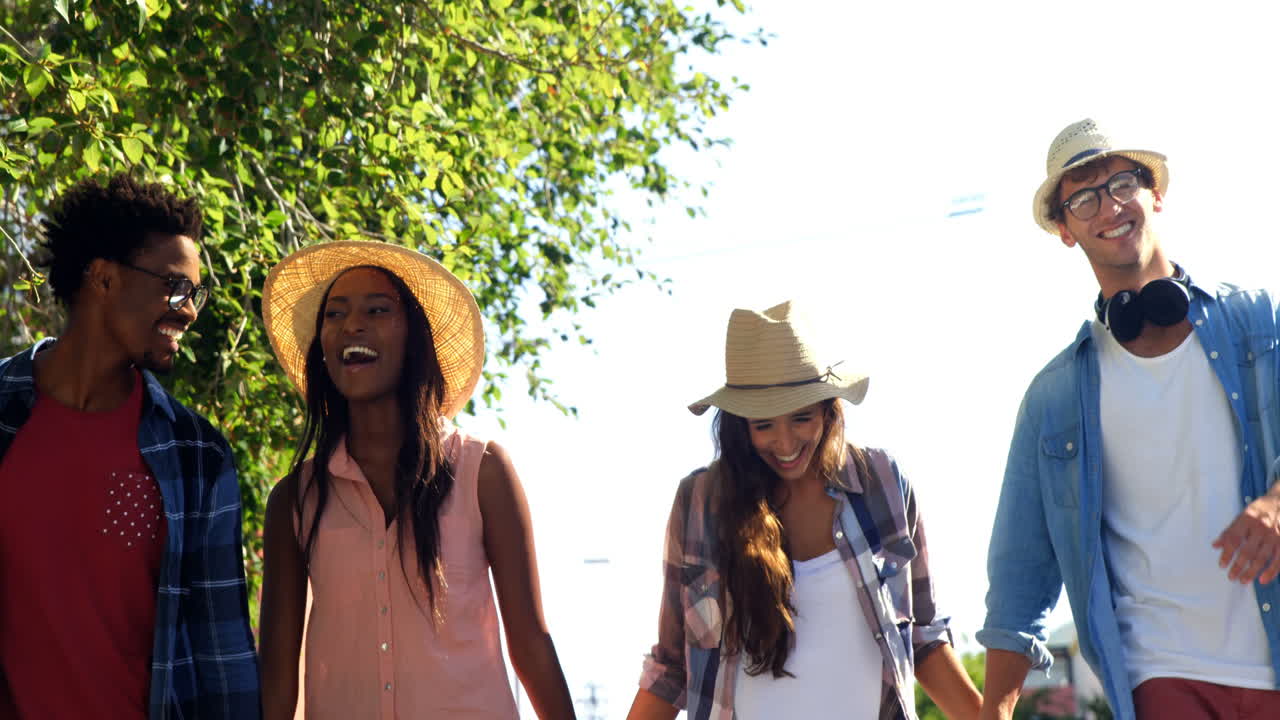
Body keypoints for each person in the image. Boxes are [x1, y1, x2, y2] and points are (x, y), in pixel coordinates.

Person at [979, 119, 1280, 720]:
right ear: (1066, 230)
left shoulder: (1257, 324)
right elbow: (1020, 573)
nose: (1108, 206)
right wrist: (995, 709)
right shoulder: (1055, 398)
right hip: (1159, 675)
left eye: (1121, 183)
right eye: (1084, 197)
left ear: (1155, 193)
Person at [257, 241, 576, 719]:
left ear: (415, 337)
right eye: (335, 314)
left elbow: (531, 646)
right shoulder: (295, 501)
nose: (352, 326)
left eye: (377, 310)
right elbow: (277, 679)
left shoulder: (482, 473)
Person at [627, 301, 981, 720]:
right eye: (764, 425)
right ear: (740, 426)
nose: (786, 442)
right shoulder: (702, 502)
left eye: (801, 417)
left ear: (829, 410)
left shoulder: (882, 483)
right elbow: (672, 667)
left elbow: (923, 638)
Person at [0, 174, 261, 719]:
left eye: (196, 294)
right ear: (102, 279)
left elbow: (223, 659)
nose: (190, 310)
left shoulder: (197, 456)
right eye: (175, 287)